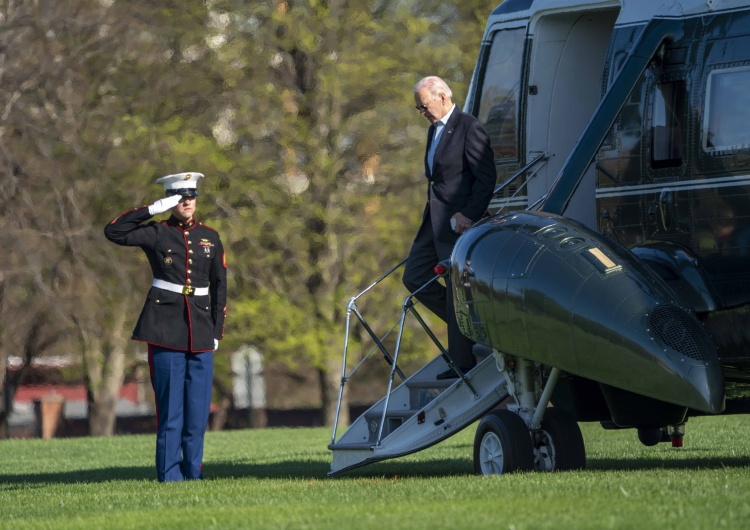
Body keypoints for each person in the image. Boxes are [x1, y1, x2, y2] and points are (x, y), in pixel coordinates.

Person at [104, 172, 227, 482]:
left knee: (197, 413)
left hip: (200, 329)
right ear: (172, 200)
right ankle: (170, 475)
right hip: (164, 328)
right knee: (170, 410)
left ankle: (193, 472)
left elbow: (219, 286)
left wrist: (216, 330)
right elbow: (114, 231)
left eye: (191, 196)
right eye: (180, 197)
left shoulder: (210, 237)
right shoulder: (157, 233)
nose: (187, 202)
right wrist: (153, 209)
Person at [403, 76, 496, 380]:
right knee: (415, 276)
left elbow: (486, 179)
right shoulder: (433, 131)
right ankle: (471, 326)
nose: (422, 112)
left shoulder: (469, 127)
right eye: (418, 108)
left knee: (455, 288)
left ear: (441, 96)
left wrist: (468, 213)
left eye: (424, 105)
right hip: (434, 221)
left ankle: (462, 361)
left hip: (457, 224)